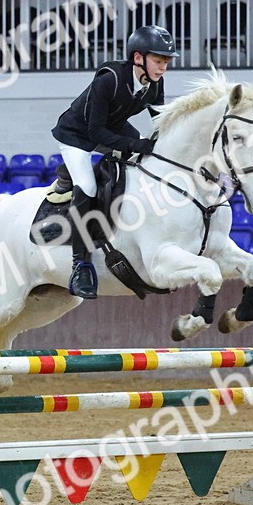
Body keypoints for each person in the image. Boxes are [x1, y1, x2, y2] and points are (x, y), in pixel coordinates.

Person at [50, 24, 178, 299]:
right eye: (158, 60)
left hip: (112, 127)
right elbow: (95, 133)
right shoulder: (108, 80)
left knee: (148, 154)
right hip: (77, 134)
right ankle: (80, 265)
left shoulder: (154, 82)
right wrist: (134, 144)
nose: (163, 67)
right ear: (137, 58)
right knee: (88, 186)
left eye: (166, 61)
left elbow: (160, 121)